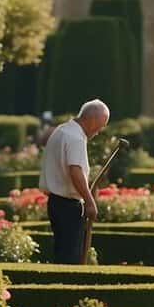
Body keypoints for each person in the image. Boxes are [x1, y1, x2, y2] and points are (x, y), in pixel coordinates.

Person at [38, 99, 110, 263]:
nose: (99, 131)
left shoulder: (61, 130)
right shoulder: (75, 137)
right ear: (91, 119)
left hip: (55, 202)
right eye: (101, 125)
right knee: (70, 257)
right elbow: (75, 171)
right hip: (68, 205)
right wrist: (89, 201)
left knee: (62, 253)